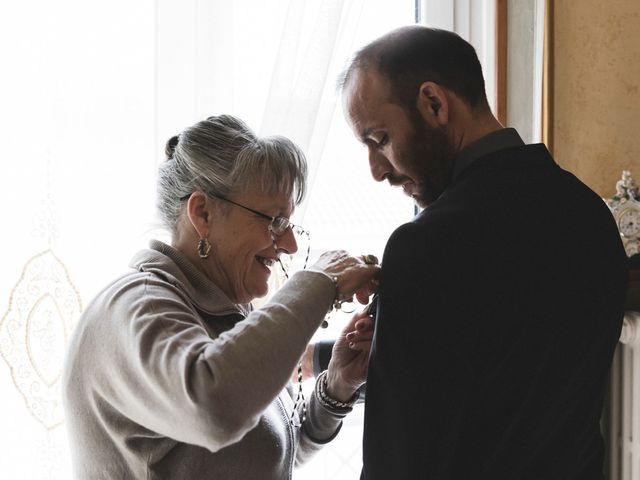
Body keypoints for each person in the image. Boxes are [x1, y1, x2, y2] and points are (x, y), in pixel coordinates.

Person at [339, 26, 629, 479]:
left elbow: (399, 464)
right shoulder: (591, 216)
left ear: (434, 104)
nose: (377, 170)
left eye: (379, 140)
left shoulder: (427, 247)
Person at [62, 114, 380, 479]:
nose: (290, 244)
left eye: (290, 224)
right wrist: (320, 281)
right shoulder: (138, 307)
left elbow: (263, 458)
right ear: (203, 213)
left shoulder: (224, 313)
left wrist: (336, 389)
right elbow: (214, 409)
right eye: (274, 220)